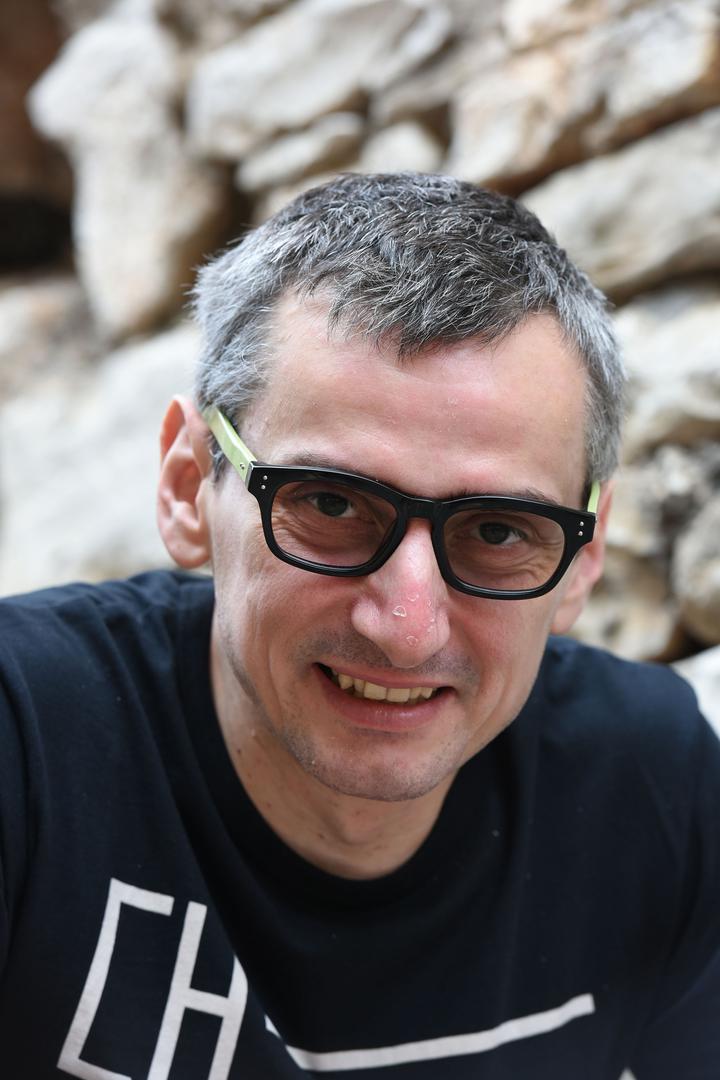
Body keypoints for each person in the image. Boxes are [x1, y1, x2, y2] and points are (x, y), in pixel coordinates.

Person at [0, 173, 718, 1079]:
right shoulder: (26, 746)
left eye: (499, 532)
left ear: (583, 555)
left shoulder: (653, 790)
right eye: (331, 504)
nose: (407, 628)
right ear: (189, 487)